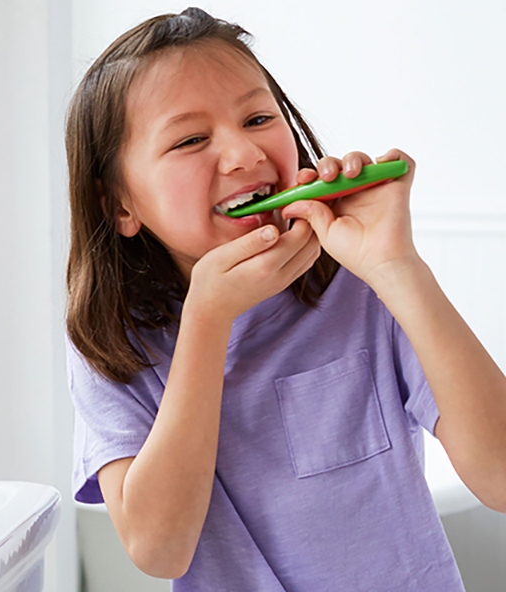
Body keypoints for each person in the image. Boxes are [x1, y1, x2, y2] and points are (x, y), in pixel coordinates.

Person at [64, 7, 506, 591]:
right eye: (192, 139)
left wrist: (397, 267)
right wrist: (207, 317)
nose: (245, 155)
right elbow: (159, 549)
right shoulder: (113, 342)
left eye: (257, 117)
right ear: (120, 206)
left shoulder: (359, 284)